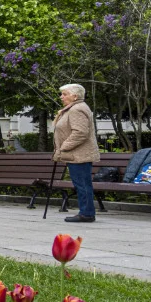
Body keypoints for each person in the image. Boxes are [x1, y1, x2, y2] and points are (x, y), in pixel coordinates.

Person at [53, 82, 99, 224]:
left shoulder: (76, 109)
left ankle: (86, 213)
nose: (61, 97)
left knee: (82, 184)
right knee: (82, 184)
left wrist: (64, 147)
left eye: (64, 94)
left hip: (79, 154)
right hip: (76, 154)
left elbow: (80, 133)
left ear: (75, 96)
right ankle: (86, 212)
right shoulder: (73, 108)